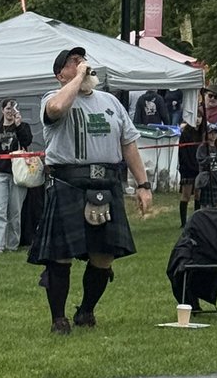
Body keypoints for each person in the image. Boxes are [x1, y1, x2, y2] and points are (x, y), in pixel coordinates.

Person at [28, 45, 153, 334]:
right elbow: (57, 109)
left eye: (83, 59)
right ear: (61, 74)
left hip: (107, 183)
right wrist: (77, 78)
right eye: (74, 62)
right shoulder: (53, 98)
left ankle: (86, 311)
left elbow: (129, 144)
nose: (82, 63)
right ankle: (58, 318)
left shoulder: (110, 101)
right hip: (68, 183)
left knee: (104, 254)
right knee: (61, 254)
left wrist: (143, 185)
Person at [0, 100, 33, 253]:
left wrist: (18, 125)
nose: (11, 111)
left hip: (18, 173)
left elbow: (27, 142)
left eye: (14, 108)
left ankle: (12, 245)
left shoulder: (23, 127)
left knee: (15, 211)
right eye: (9, 108)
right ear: (3, 110)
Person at [177, 115, 203, 228]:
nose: (197, 119)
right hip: (187, 169)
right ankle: (183, 223)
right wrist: (188, 166)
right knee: (186, 195)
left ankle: (196, 220)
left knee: (198, 194)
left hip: (199, 168)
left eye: (200, 117)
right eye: (195, 117)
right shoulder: (185, 133)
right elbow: (182, 153)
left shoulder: (203, 133)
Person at [195, 124, 217, 208]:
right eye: (211, 133)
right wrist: (208, 159)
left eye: (215, 133)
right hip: (207, 180)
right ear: (206, 134)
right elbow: (201, 161)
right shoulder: (203, 147)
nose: (213, 135)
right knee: (206, 206)